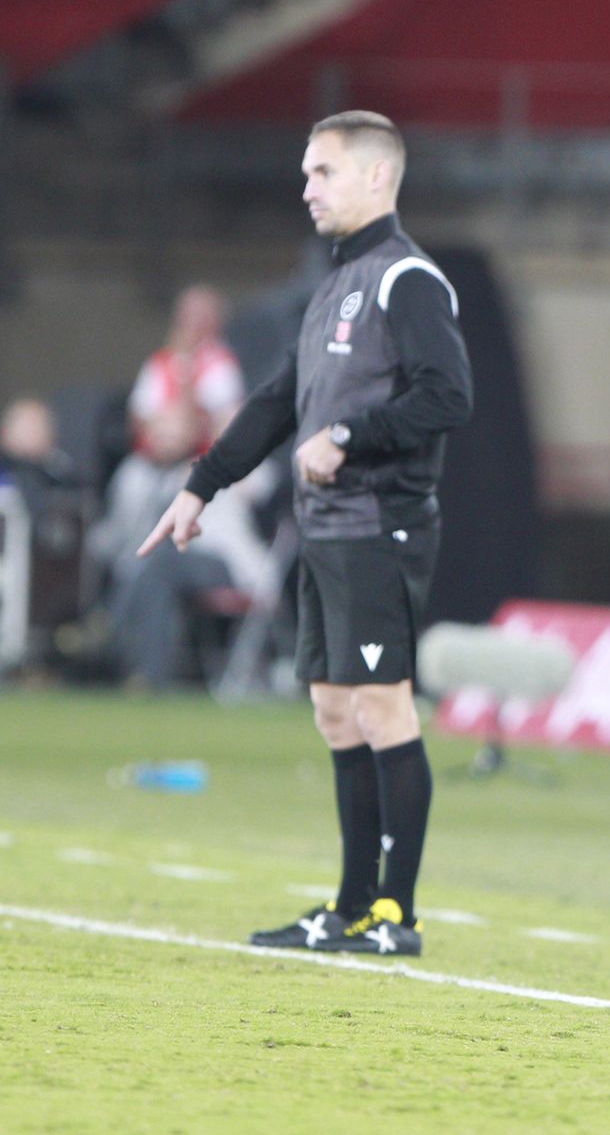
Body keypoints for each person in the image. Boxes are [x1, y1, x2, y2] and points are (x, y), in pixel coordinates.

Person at [140, 110, 472, 956]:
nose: (306, 187)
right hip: (326, 532)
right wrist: (201, 487)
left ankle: (397, 913)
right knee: (333, 710)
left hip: (380, 526)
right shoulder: (333, 284)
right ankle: (350, 903)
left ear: (373, 177)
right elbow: (280, 402)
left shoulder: (408, 279)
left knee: (381, 706)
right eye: (307, 171)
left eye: (322, 171)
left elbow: (448, 395)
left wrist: (350, 438)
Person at [92, 404, 270, 690]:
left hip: (229, 565)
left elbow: (259, 485)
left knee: (158, 561)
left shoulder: (233, 466)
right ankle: (139, 669)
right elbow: (120, 531)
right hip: (170, 561)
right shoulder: (143, 472)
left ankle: (111, 644)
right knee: (150, 568)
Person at [129, 284, 245, 453]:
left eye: (201, 315)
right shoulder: (160, 361)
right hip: (155, 457)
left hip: (204, 457)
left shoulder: (222, 363)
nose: (193, 322)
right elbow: (139, 416)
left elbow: (222, 419)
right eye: (188, 314)